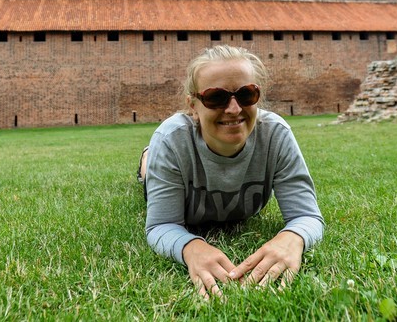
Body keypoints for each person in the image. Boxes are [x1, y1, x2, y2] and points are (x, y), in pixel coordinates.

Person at [138, 45, 323, 298]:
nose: (234, 109)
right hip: (166, 155)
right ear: (193, 105)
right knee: (149, 171)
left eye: (246, 94)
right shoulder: (172, 139)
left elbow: (307, 216)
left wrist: (293, 237)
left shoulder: (275, 134)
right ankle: (148, 158)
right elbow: (161, 224)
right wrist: (190, 247)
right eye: (216, 97)